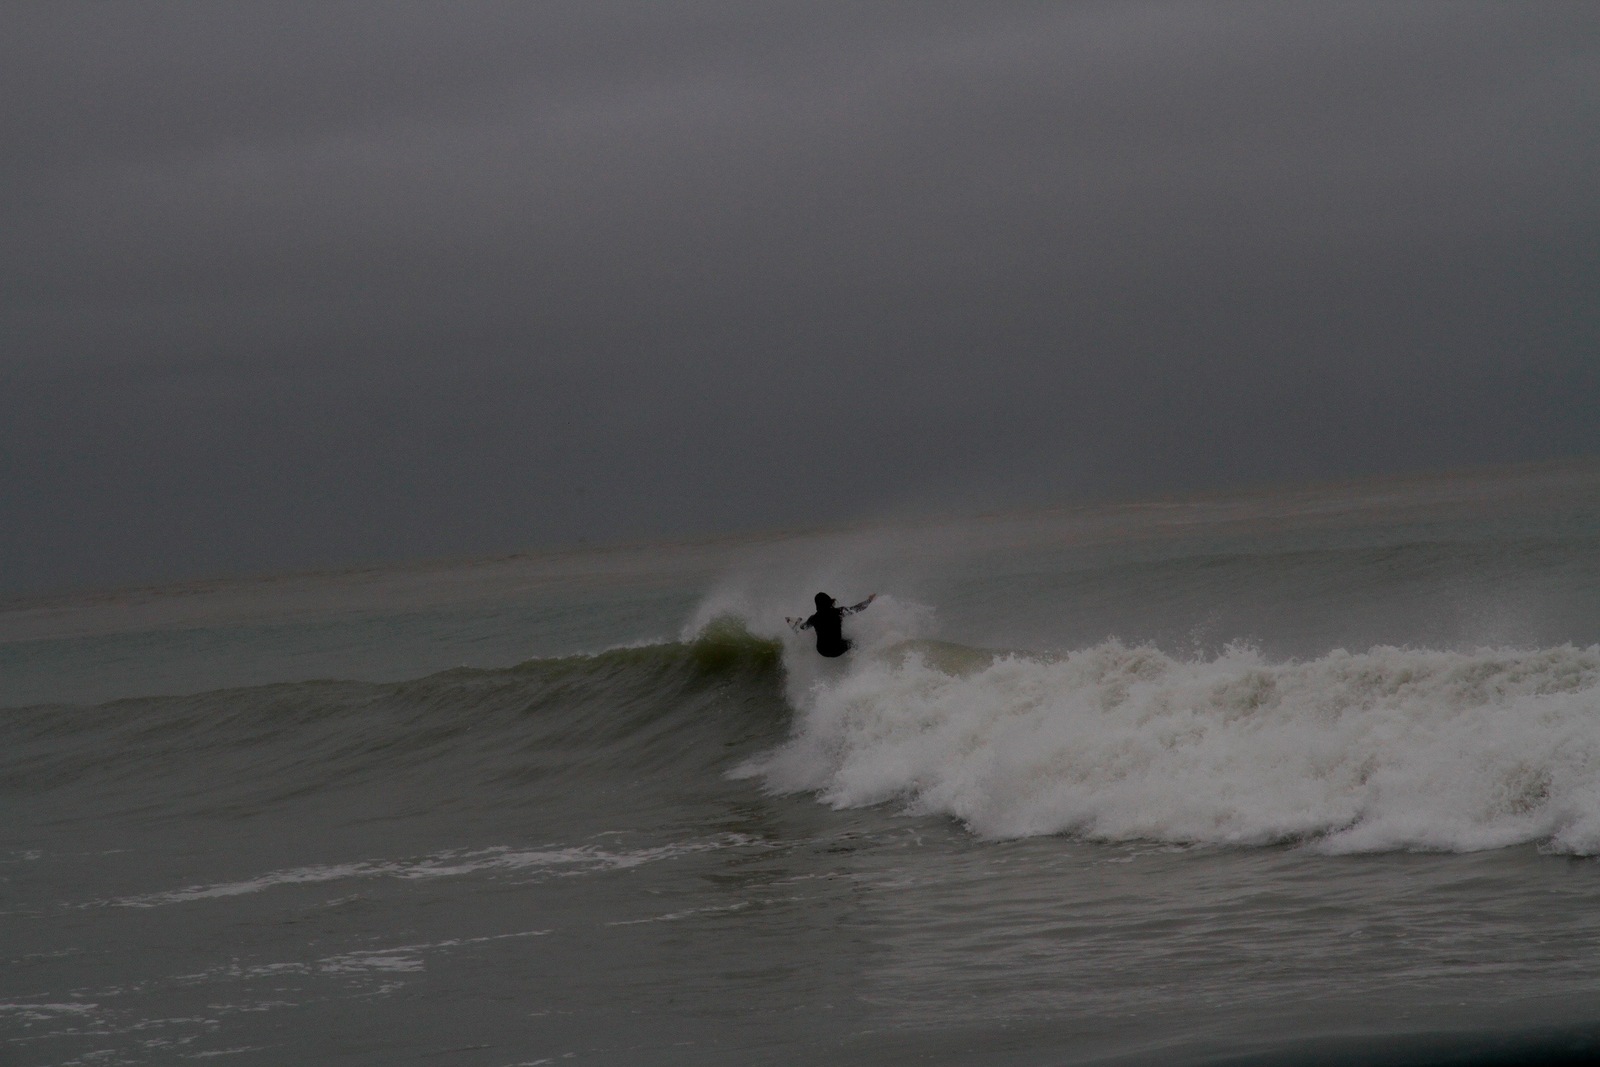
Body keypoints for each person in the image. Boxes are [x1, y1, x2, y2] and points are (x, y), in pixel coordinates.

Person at [788, 592, 875, 657]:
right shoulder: (838, 612)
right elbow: (856, 609)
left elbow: (803, 627)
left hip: (822, 651)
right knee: (853, 643)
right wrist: (869, 600)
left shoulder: (813, 618)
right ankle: (859, 659)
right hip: (836, 649)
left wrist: (798, 623)